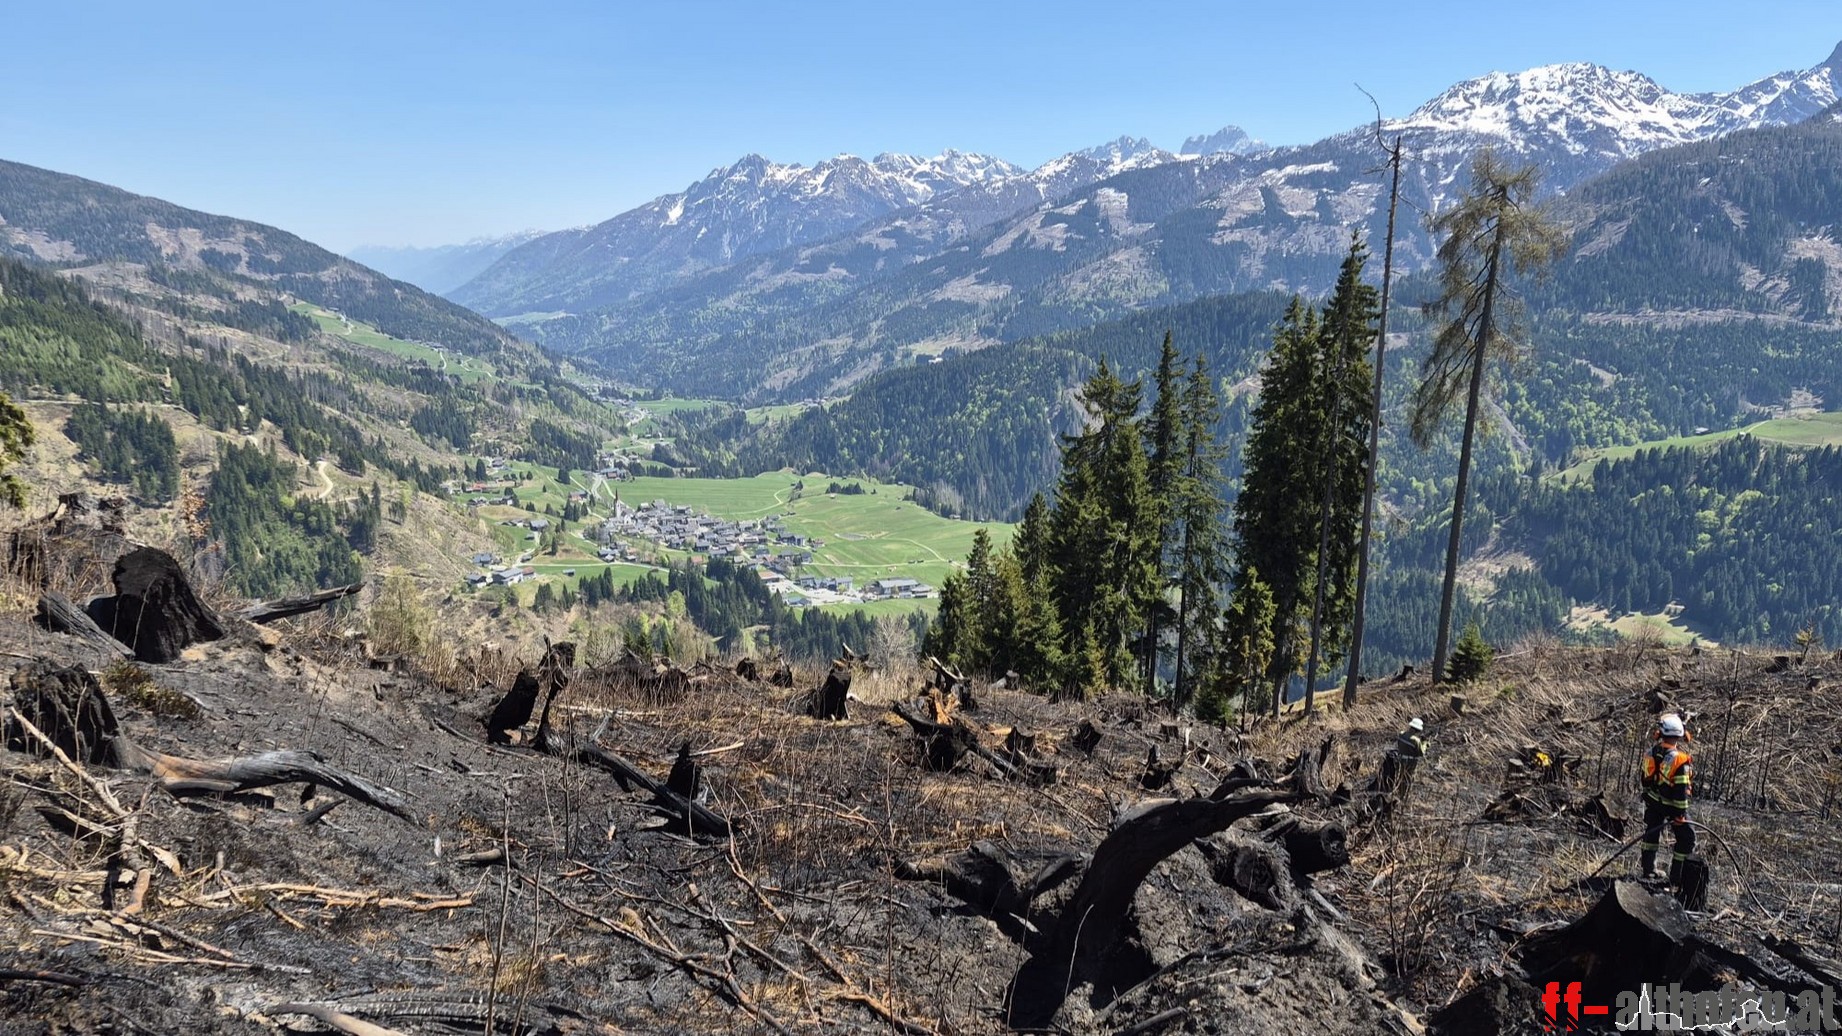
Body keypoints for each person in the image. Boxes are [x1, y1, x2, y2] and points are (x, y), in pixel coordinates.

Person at [1638, 713, 1695, 882]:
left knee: (1651, 832)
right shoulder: (1680, 760)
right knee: (1687, 838)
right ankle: (1676, 877)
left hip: (1653, 801)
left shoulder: (1650, 753)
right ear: (1680, 735)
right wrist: (1681, 814)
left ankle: (1648, 870)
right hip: (1672, 805)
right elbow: (1681, 789)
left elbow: (1645, 780)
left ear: (1660, 733)